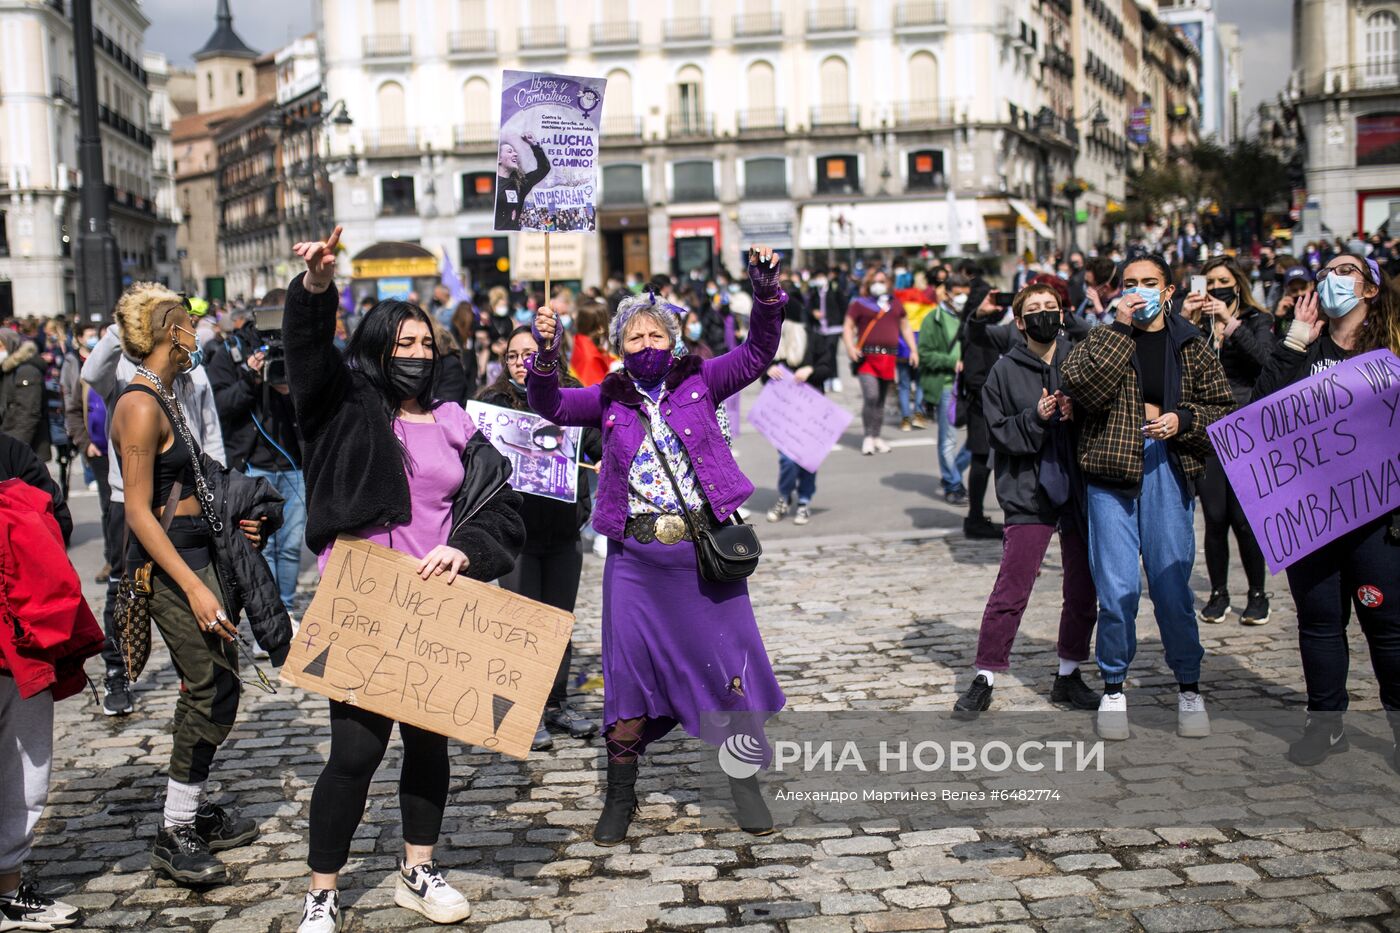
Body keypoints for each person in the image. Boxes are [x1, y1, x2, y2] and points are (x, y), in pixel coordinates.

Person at [283, 228, 525, 933]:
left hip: (437, 606)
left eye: (427, 344)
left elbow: (497, 508)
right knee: (354, 751)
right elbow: (304, 353)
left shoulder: (454, 420)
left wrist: (466, 552)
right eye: (404, 344)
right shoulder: (343, 406)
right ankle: (322, 891)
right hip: (364, 601)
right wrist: (317, 289)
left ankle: (418, 868)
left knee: (428, 743)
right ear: (377, 346)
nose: (418, 355)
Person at [527, 246, 788, 847]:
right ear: (620, 346)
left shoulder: (703, 377)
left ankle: (744, 786)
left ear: (673, 337)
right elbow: (551, 404)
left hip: (701, 561)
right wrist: (548, 354)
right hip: (635, 564)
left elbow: (757, 353)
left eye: (655, 332)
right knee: (626, 675)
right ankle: (621, 796)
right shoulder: (609, 397)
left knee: (729, 669)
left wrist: (764, 289)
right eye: (633, 335)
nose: (645, 342)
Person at [107, 284, 267, 887]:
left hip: (200, 552)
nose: (197, 329)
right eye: (189, 320)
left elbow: (193, 479)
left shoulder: (172, 394)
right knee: (208, 685)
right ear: (168, 329)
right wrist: (195, 590)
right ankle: (174, 828)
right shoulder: (141, 404)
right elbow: (139, 512)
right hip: (172, 566)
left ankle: (192, 807)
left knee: (221, 683)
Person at [1060, 254, 1232, 741]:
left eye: (1150, 282)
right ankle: (1114, 684)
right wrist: (1117, 327)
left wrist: (1183, 420)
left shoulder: (1189, 343)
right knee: (1117, 591)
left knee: (1172, 585)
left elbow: (1221, 409)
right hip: (1110, 473)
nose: (1140, 290)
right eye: (1131, 283)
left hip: (1166, 466)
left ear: (1169, 290)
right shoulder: (1102, 336)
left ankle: (1188, 687)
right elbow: (1084, 389)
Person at [1251, 254, 1400, 769]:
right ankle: (1326, 723)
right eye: (1327, 271)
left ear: (1371, 290)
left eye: (1346, 271)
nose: (1332, 279)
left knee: (1387, 625)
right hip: (1312, 514)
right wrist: (1294, 341)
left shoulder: (1391, 353)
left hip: (1376, 519)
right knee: (1319, 622)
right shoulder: (1302, 347)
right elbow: (1261, 414)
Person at [953, 284, 1098, 714]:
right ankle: (985, 675)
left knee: (1081, 587)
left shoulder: (1079, 356)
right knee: (1012, 586)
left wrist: (1078, 412)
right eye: (1034, 310)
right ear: (1019, 322)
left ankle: (1069, 673)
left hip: (1077, 488)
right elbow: (997, 430)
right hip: (1027, 492)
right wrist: (1034, 417)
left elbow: (1106, 411)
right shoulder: (1004, 371)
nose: (1044, 315)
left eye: (1051, 308)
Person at [478, 328, 600, 752]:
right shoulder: (491, 404)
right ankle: (522, 712)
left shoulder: (571, 394)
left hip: (564, 531)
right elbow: (475, 462)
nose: (519, 361)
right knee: (521, 627)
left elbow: (598, 443)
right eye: (512, 355)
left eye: (528, 352)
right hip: (517, 537)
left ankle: (556, 704)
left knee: (558, 623)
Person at [0, 433, 100, 933]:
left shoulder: (11, 453)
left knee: (24, 768)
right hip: (17, 637)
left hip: (18, 639)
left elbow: (56, 527)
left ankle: (8, 889)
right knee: (21, 768)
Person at [1183, 256, 1274, 626]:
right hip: (1208, 430)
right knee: (1215, 516)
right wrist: (1186, 321)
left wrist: (1231, 324)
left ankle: (1257, 593)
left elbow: (1268, 363)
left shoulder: (1257, 320)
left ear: (1236, 284)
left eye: (1223, 280)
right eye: (1209, 282)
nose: (1216, 288)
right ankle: (1218, 592)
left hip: (1246, 429)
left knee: (1245, 519)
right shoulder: (1195, 326)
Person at [205, 291, 306, 621]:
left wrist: (294, 390)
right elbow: (220, 407)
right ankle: (270, 616)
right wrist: (250, 379)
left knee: (290, 546)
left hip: (293, 462)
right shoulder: (231, 352)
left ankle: (286, 609)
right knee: (262, 547)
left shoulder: (300, 345)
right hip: (252, 464)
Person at [763, 295, 837, 526]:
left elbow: (828, 366)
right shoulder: (772, 342)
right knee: (787, 459)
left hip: (811, 409)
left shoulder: (813, 338)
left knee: (808, 458)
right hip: (783, 411)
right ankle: (784, 496)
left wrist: (810, 370)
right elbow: (759, 369)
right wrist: (768, 371)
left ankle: (804, 500)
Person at [843, 268, 919, 455]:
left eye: (882, 281)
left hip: (889, 357)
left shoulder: (895, 304)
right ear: (868, 285)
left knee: (881, 400)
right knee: (871, 396)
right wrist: (850, 347)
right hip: (867, 358)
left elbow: (906, 327)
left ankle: (876, 436)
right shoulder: (859, 304)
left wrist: (913, 350)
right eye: (875, 281)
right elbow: (848, 326)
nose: (879, 284)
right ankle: (868, 436)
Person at [920, 276, 972, 503]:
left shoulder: (971, 315)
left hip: (973, 384)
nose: (963, 297)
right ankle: (952, 484)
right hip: (948, 385)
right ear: (948, 293)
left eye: (966, 292)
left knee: (982, 438)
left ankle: (953, 472)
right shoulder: (934, 319)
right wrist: (951, 361)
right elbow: (925, 354)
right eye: (959, 292)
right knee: (948, 439)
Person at [0, 330, 49, 462]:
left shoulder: (26, 371)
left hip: (24, 449)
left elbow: (28, 414)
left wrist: (12, 449)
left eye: (1, 346)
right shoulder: (6, 369)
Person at [494, 133, 551, 231]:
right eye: (509, 152)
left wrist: (534, 145)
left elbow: (544, 168)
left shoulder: (520, 183)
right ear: (499, 159)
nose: (515, 154)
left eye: (515, 152)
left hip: (512, 236)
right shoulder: (492, 182)